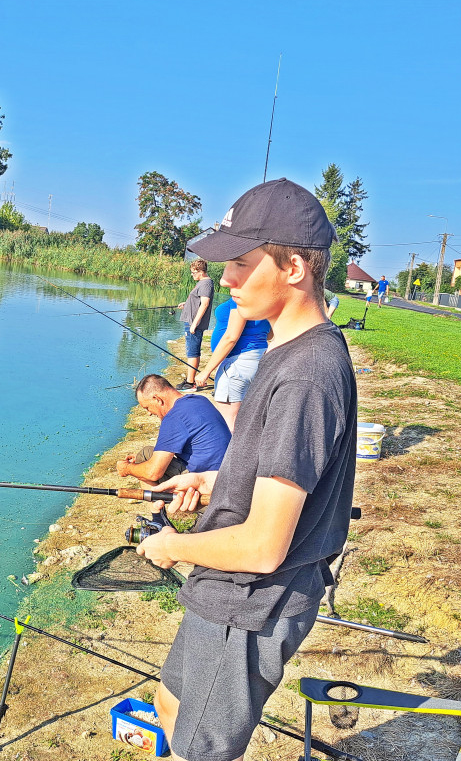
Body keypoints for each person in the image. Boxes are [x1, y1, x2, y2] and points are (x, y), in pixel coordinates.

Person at [136, 179, 357, 761]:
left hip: (252, 599)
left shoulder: (309, 373)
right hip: (224, 589)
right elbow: (271, 470)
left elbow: (262, 546)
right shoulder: (284, 352)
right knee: (169, 703)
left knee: (200, 749)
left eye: (241, 263)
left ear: (296, 267)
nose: (227, 279)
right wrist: (211, 482)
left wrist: (172, 549)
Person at [115, 374, 231, 487]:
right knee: (149, 455)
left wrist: (126, 469)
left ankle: (158, 506)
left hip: (207, 481)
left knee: (145, 460)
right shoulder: (199, 399)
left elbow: (153, 472)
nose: (149, 413)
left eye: (147, 407)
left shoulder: (174, 417)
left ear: (157, 399)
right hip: (229, 472)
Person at [193, 296, 269, 430]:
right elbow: (270, 332)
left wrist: (206, 371)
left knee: (229, 421)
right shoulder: (266, 298)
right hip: (258, 358)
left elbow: (231, 337)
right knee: (248, 416)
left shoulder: (241, 297)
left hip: (237, 362)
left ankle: (233, 451)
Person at [176, 260, 215, 390]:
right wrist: (186, 304)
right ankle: (189, 379)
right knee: (191, 350)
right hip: (191, 321)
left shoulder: (206, 283)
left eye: (193, 273)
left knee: (192, 351)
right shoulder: (202, 283)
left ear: (200, 271)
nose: (192, 275)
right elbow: (197, 301)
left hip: (194, 324)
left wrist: (194, 324)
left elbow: (204, 304)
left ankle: (190, 383)